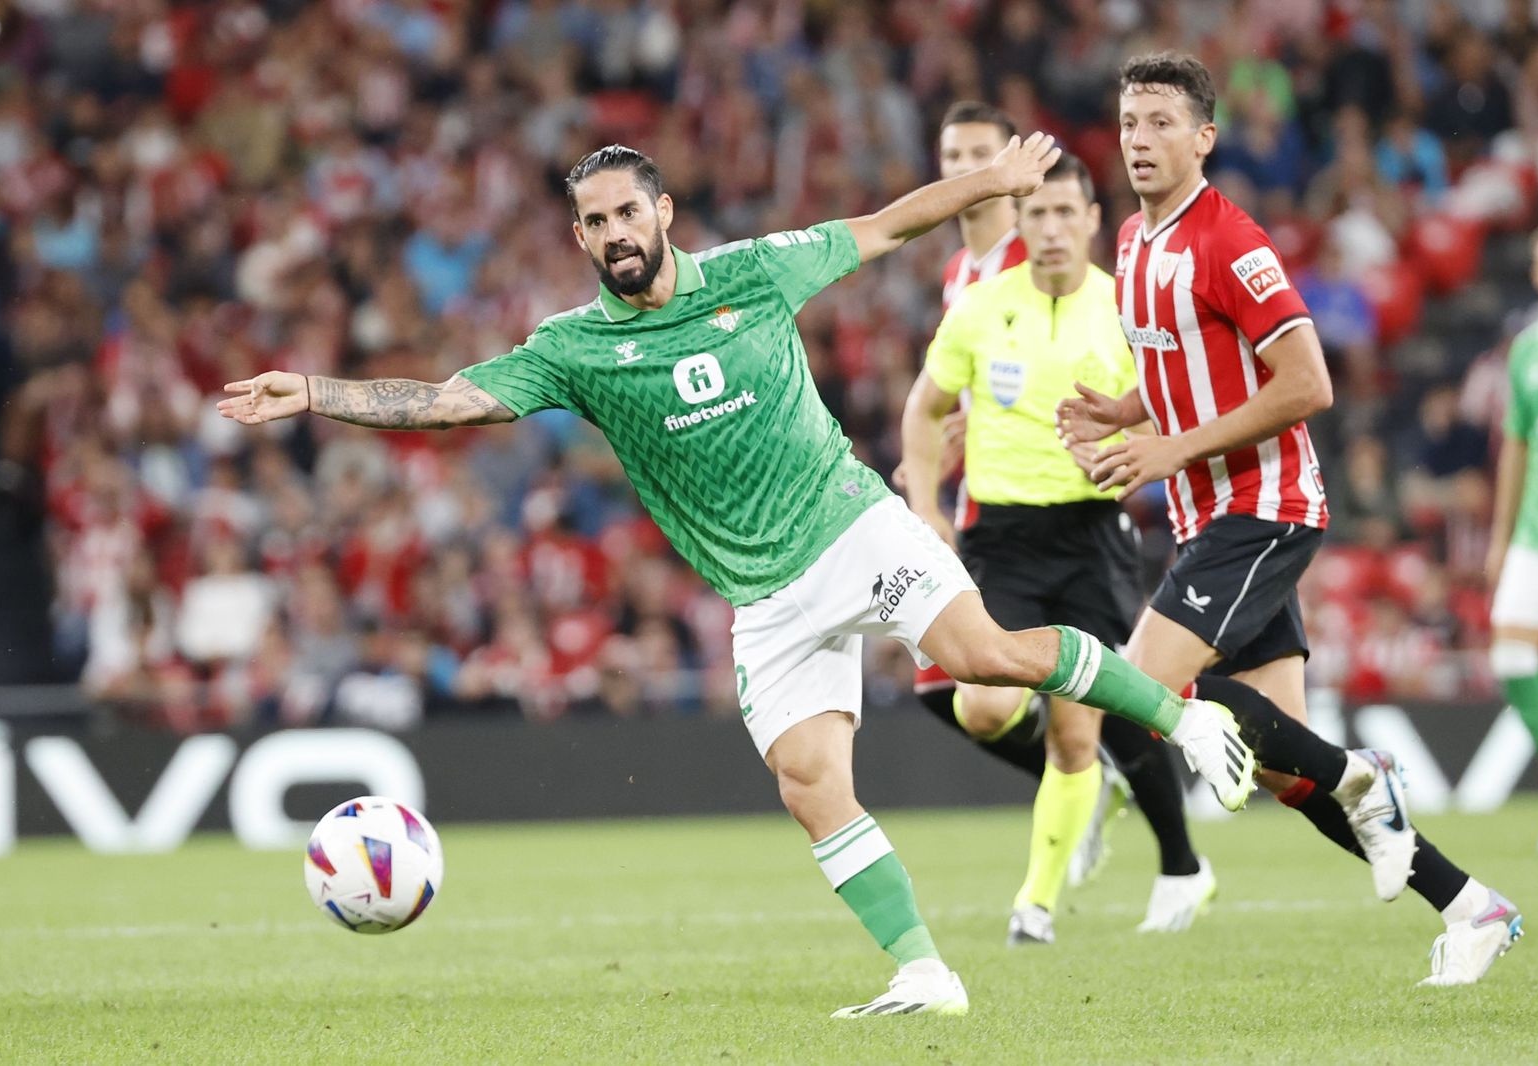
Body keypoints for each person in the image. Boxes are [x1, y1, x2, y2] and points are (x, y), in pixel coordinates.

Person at [221, 136, 1260, 1017]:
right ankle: (924, 974)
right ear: (579, 239)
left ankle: (1182, 719)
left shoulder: (755, 272)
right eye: (596, 221)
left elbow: (885, 228)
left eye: (628, 211)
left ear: (662, 212)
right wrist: (312, 390)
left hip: (852, 528)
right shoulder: (573, 349)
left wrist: (991, 184)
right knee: (811, 785)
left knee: (983, 656)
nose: (616, 232)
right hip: (763, 597)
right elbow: (449, 401)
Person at [1058, 51, 1521, 986]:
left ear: (1204, 138)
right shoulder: (1135, 241)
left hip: (1263, 507)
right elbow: (1190, 368)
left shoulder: (1231, 241)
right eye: (1131, 121)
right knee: (1286, 770)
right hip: (1207, 517)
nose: (1140, 139)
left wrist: (1171, 450)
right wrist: (1126, 413)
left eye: (1161, 123)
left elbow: (1308, 382)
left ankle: (1366, 772)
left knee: (1142, 688)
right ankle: (1472, 906)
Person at [900, 146, 1212, 943]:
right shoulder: (980, 307)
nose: (1050, 229)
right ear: (1020, 219)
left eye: (1066, 212)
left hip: (1088, 536)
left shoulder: (1124, 309)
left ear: (1093, 220)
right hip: (1000, 538)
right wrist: (927, 506)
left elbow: (1174, 409)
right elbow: (925, 407)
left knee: (1077, 734)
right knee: (982, 705)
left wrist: (1132, 453)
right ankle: (1095, 810)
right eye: (1036, 213)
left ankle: (1034, 907)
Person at [1486, 223, 1538, 854]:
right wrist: (1500, 539)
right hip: (1536, 534)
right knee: (1510, 657)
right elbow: (1517, 448)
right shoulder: (1528, 349)